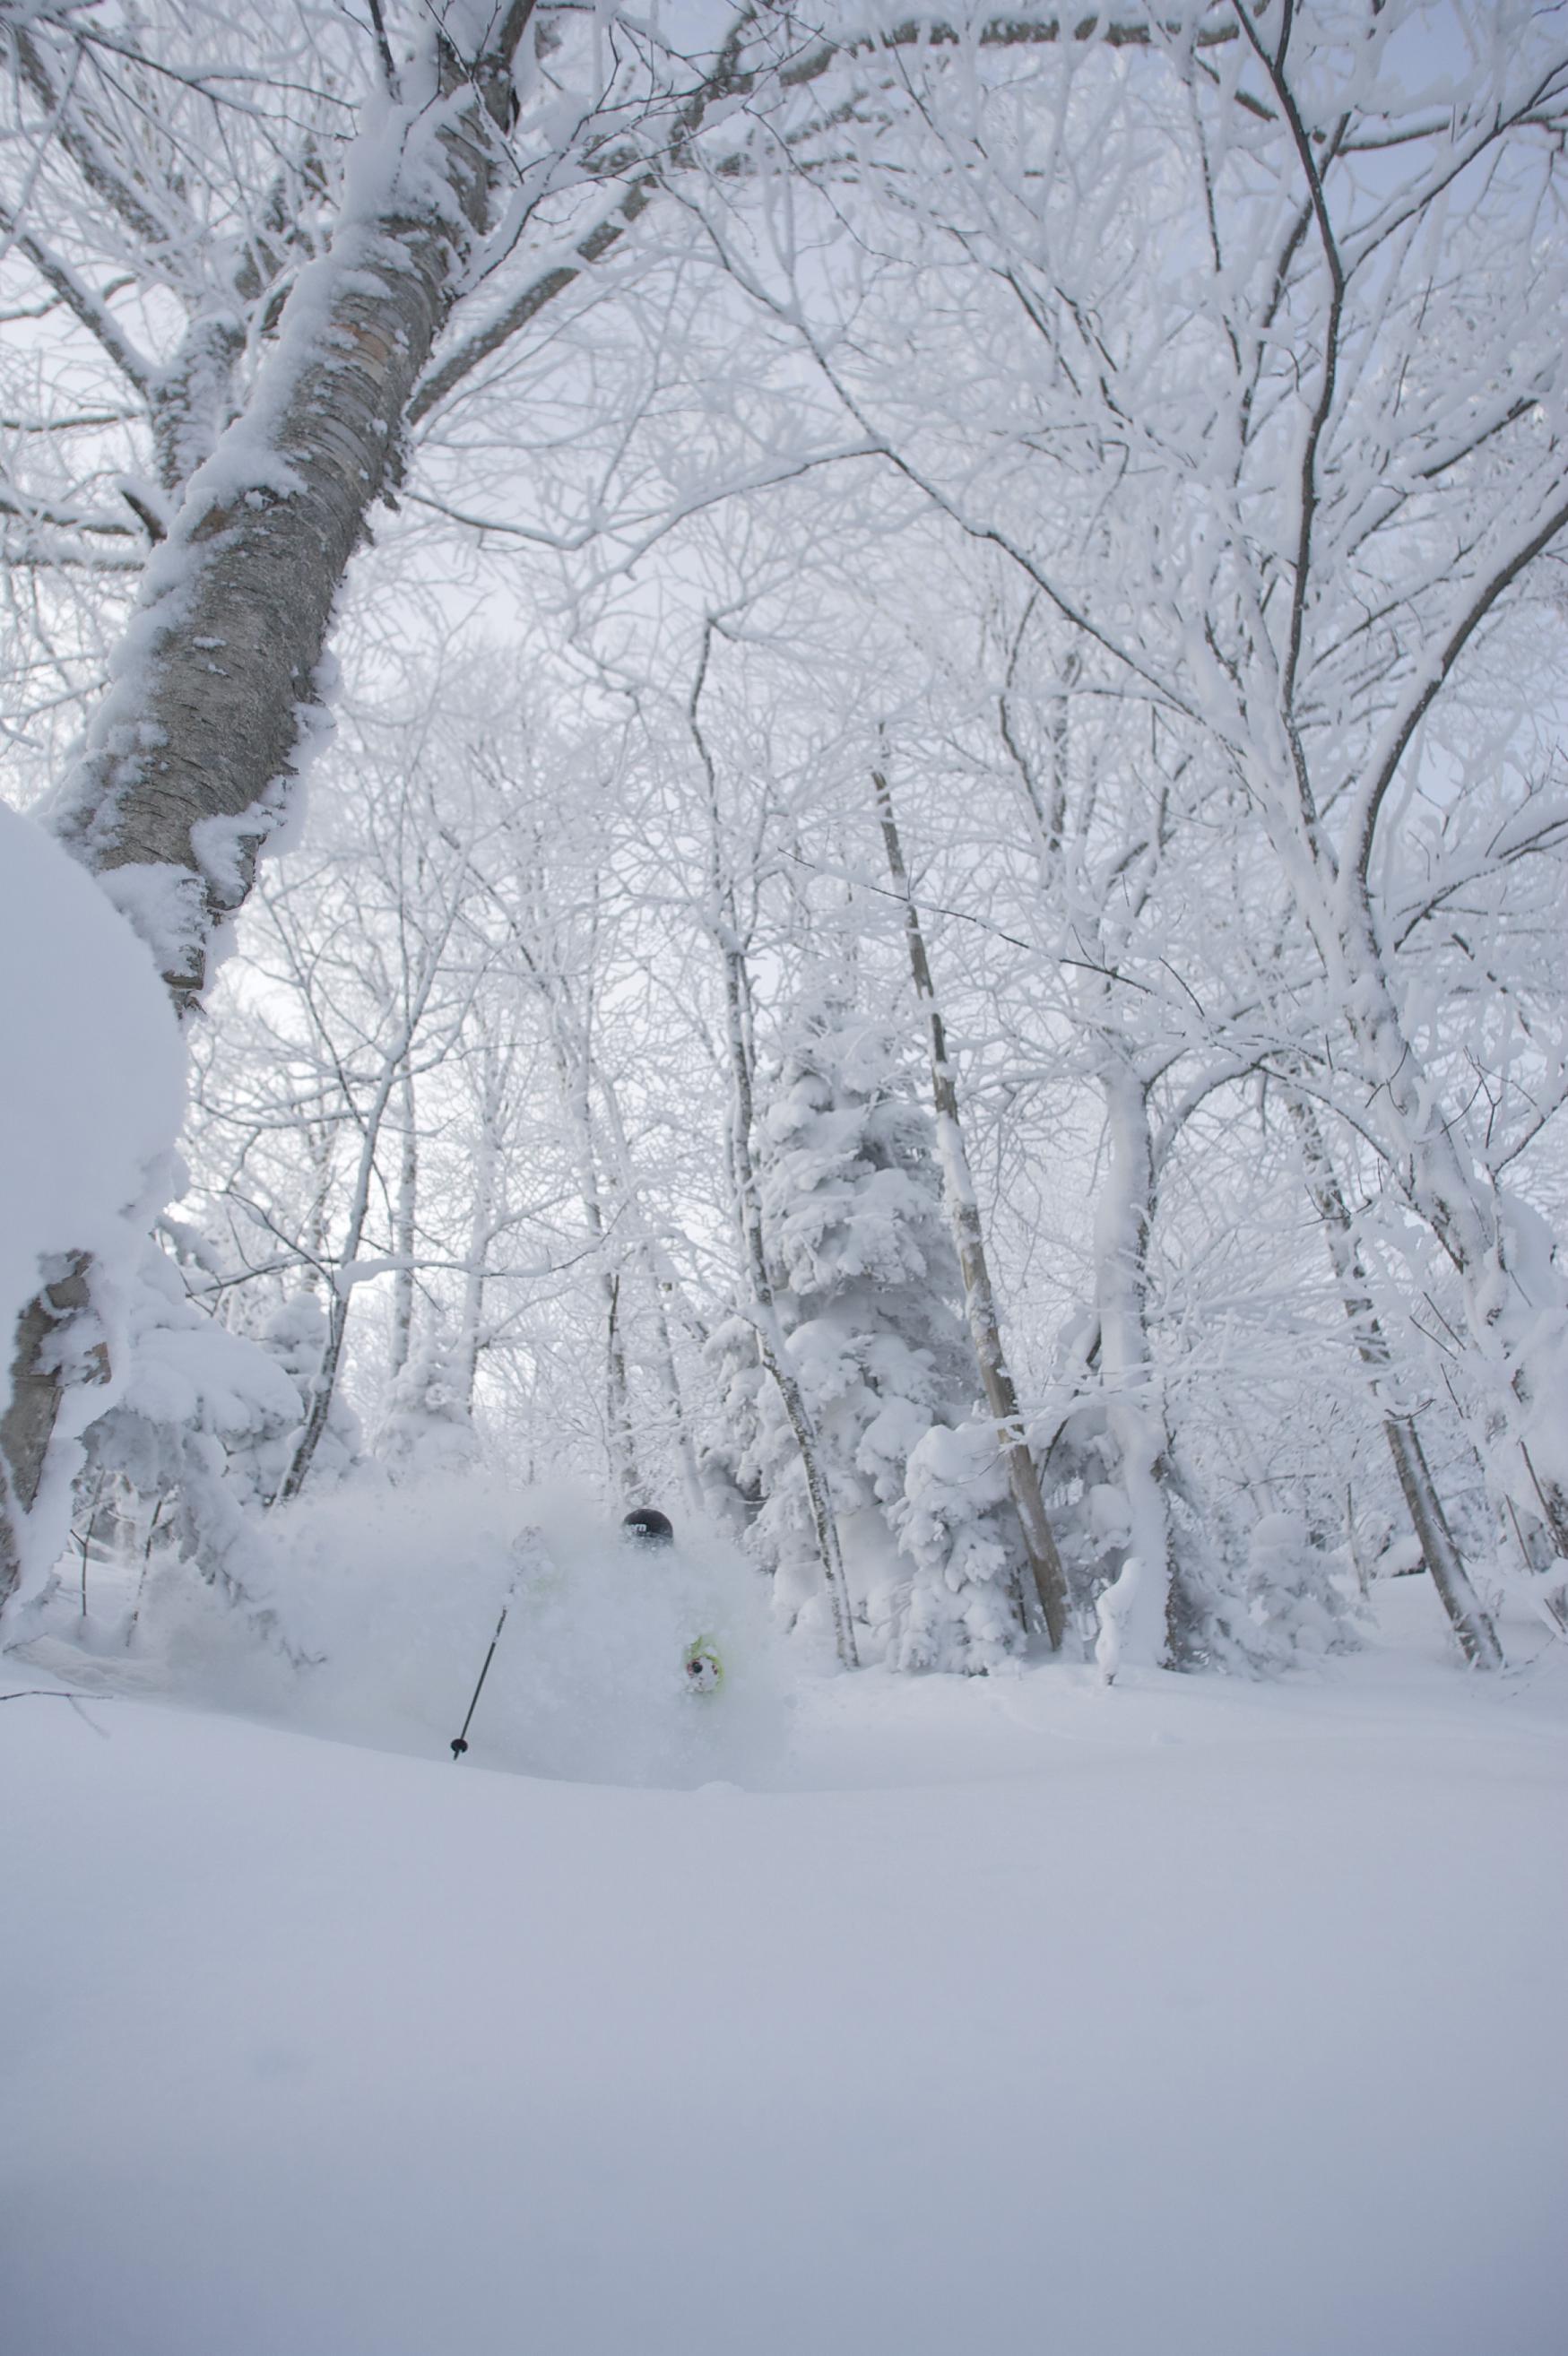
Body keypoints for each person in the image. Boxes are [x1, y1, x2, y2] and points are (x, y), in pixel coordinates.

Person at [620, 1507, 722, 1692]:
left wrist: (706, 1668)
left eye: (654, 1549)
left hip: (663, 1696)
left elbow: (705, 1644)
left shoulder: (685, 1593)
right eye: (637, 1547)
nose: (645, 1556)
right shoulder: (604, 1588)